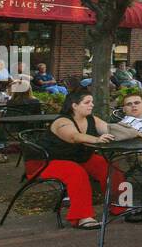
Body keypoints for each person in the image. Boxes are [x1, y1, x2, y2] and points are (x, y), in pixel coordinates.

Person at [36, 90, 120, 230]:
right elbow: (73, 136)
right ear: (74, 105)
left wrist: (134, 132)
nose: (91, 105)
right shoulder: (62, 121)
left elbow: (110, 129)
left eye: (91, 102)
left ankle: (121, 206)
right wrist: (96, 139)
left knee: (111, 167)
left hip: (80, 158)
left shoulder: (92, 119)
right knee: (77, 173)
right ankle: (83, 217)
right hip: (48, 161)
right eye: (87, 102)